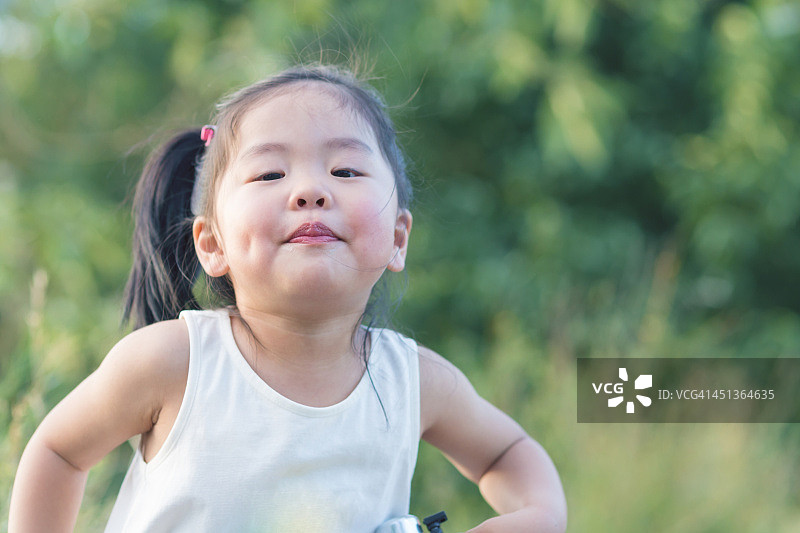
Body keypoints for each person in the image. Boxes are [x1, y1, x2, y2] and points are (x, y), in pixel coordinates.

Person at [8, 64, 567, 532]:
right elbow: (57, 451)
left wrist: (539, 515)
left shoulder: (411, 381)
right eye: (270, 173)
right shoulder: (175, 362)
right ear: (212, 243)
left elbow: (506, 453)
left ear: (398, 238)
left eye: (345, 169)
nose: (310, 190)